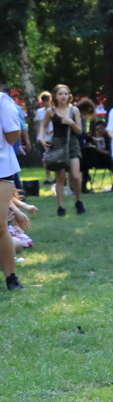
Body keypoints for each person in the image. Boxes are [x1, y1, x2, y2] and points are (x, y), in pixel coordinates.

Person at [39, 84, 85, 216]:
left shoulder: (74, 110)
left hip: (72, 143)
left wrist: (71, 123)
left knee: (75, 176)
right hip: (58, 144)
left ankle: (78, 201)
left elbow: (79, 130)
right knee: (60, 178)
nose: (63, 96)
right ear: (55, 96)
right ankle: (61, 207)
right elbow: (44, 126)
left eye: (66, 94)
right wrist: (41, 138)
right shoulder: (50, 111)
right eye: (60, 94)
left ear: (69, 96)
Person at [1, 89, 23, 290]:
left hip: (1, 168)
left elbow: (12, 136)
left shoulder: (2, 101)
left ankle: (11, 277)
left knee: (0, 225)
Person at [80, 120, 113, 191]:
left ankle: (85, 180)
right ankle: (84, 181)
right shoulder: (95, 139)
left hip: (107, 160)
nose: (99, 130)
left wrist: (98, 150)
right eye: (97, 129)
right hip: (96, 161)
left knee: (86, 155)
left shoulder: (109, 139)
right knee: (85, 154)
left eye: (101, 128)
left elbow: (110, 153)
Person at [34, 91, 54, 185]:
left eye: (47, 100)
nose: (45, 102)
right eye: (44, 100)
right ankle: (48, 178)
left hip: (54, 136)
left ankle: (57, 177)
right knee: (45, 158)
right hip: (44, 138)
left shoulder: (55, 110)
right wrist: (39, 135)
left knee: (56, 157)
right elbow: (37, 124)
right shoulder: (39, 112)